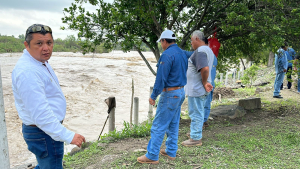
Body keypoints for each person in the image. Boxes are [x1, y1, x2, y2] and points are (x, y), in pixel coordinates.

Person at [11, 24, 86, 169]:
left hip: (46, 131)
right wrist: (68, 136)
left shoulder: (39, 61)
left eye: (49, 43)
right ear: (27, 45)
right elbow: (41, 114)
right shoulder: (28, 72)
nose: (46, 48)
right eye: (39, 43)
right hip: (44, 133)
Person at [137, 30, 188, 164]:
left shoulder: (166, 55)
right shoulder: (183, 53)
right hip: (181, 92)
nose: (161, 44)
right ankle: (171, 151)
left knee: (158, 125)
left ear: (164, 41)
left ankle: (152, 155)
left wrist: (153, 96)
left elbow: (160, 79)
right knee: (173, 123)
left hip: (170, 94)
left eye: (161, 41)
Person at [181, 30, 213, 147]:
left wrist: (204, 82)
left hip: (197, 88)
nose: (191, 43)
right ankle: (195, 132)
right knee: (198, 111)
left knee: (195, 113)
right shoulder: (208, 50)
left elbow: (204, 69)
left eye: (191, 41)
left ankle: (195, 138)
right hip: (201, 88)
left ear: (196, 39)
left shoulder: (200, 51)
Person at [203, 38, 218, 129]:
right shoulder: (213, 56)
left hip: (205, 84)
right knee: (207, 103)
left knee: (202, 104)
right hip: (211, 83)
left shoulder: (204, 56)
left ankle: (202, 122)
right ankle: (204, 121)